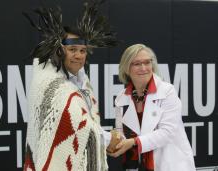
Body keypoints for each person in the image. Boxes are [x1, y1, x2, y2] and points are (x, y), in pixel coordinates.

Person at [23, 3, 119, 171]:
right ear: (59, 51)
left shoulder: (82, 83)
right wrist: (108, 139)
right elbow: (77, 125)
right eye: (72, 49)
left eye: (83, 50)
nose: (79, 56)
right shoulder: (49, 84)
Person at [108, 44, 196, 171]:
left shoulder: (167, 91)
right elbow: (120, 132)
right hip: (137, 165)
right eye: (137, 64)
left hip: (171, 165)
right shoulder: (121, 98)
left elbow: (167, 133)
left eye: (147, 62)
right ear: (127, 68)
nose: (143, 68)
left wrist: (133, 142)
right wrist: (114, 143)